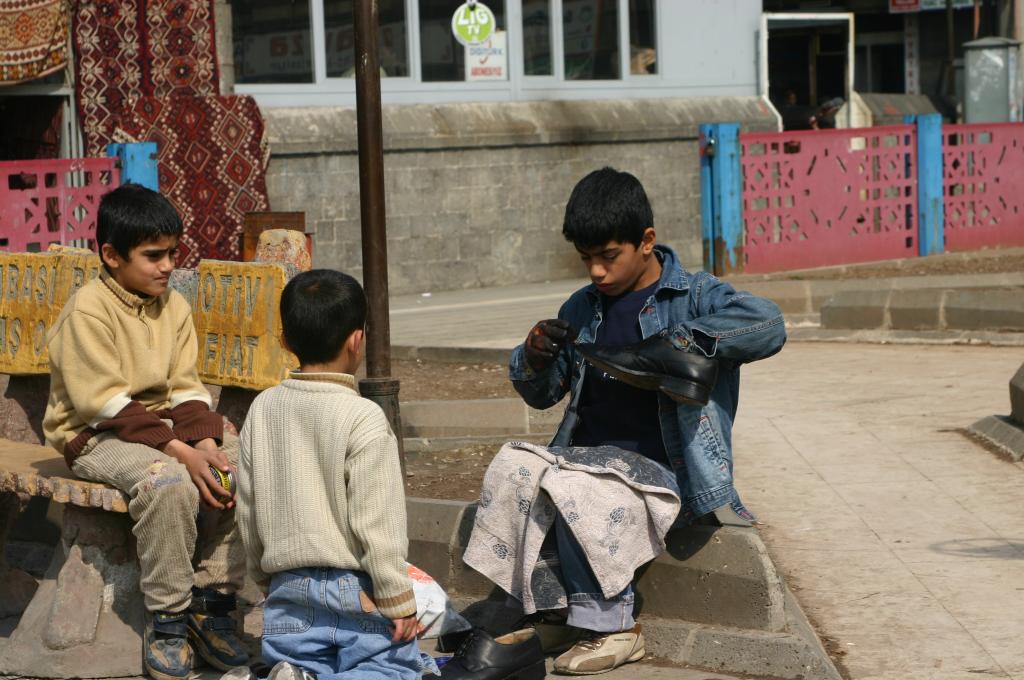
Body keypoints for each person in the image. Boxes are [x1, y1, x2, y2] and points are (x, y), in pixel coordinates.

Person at [508, 167, 787, 674]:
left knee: (585, 490)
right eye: (586, 258)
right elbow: (543, 394)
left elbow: (769, 324)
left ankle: (615, 627)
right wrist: (534, 355)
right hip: (588, 457)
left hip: (666, 474)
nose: (596, 271)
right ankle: (556, 611)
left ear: (646, 241)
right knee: (516, 473)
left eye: (608, 256)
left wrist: (685, 344)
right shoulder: (582, 305)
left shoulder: (696, 296)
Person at [43, 183, 249, 680]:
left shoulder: (172, 306)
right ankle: (170, 617)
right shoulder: (89, 309)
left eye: (173, 254)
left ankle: (213, 597)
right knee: (168, 483)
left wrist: (204, 443)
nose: (167, 266)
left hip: (160, 427)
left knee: (242, 463)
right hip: (95, 434)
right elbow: (102, 402)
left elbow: (184, 386)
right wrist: (181, 453)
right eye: (153, 255)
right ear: (111, 255)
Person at [235, 269, 423, 680]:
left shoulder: (263, 409)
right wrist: (397, 596)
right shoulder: (363, 417)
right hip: (356, 589)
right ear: (357, 340)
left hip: (287, 586)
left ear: (285, 342)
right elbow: (378, 521)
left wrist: (262, 575)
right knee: (390, 670)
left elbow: (246, 507)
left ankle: (296, 674)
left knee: (301, 664)